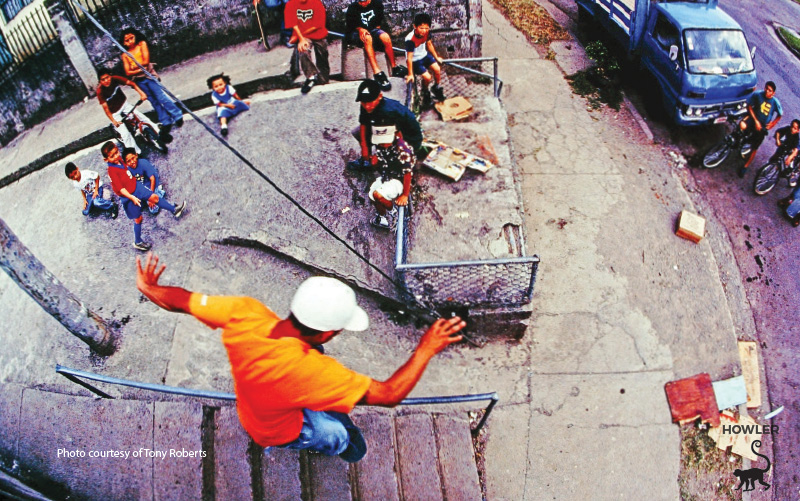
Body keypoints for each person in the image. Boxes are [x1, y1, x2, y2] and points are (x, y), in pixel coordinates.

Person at [135, 252, 466, 462]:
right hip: (281, 428)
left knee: (317, 389)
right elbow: (390, 395)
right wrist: (426, 348)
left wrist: (150, 289)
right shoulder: (312, 371)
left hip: (254, 406)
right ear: (325, 333)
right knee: (336, 436)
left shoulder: (245, 313)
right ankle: (339, 442)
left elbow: (181, 300)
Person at [102, 142, 187, 251]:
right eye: (112, 156)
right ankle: (138, 241)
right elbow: (121, 189)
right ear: (106, 160)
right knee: (138, 219)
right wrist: (132, 197)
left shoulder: (119, 161)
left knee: (154, 198)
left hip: (136, 186)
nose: (116, 156)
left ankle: (174, 210)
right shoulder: (112, 171)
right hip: (129, 196)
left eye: (116, 152)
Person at [120, 28, 184, 136]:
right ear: (123, 43)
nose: (130, 41)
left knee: (161, 97)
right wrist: (139, 68)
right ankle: (165, 121)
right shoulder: (125, 54)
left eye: (131, 38)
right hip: (139, 81)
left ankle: (177, 115)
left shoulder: (141, 44)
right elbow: (127, 72)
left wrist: (135, 68)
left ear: (136, 36)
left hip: (149, 76)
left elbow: (145, 62)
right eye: (127, 40)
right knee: (153, 101)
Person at [348, 79, 423, 171]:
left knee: (390, 160)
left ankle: (394, 162)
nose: (367, 106)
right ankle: (368, 160)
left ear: (380, 96)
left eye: (370, 102)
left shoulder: (388, 112)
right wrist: (364, 147)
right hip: (386, 129)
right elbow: (363, 123)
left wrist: (378, 156)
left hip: (408, 137)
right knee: (358, 132)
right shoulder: (366, 101)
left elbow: (394, 139)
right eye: (364, 103)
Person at [345, 0, 406, 92]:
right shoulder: (352, 8)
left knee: (385, 37)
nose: (363, 4)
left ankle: (394, 67)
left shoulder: (377, 4)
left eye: (365, 1)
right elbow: (351, 26)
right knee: (367, 38)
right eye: (360, 2)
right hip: (357, 32)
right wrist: (360, 29)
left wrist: (376, 34)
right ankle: (377, 73)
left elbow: (377, 24)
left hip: (372, 29)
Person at [96, 69, 159, 155]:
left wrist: (142, 94)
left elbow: (132, 83)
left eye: (107, 77)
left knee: (141, 117)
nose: (106, 81)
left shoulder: (115, 79)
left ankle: (157, 132)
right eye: (103, 79)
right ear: (100, 81)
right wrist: (114, 121)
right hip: (115, 112)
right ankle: (135, 153)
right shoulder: (100, 91)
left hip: (124, 104)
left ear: (110, 75)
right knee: (125, 134)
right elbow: (106, 109)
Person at [367, 122, 415, 230]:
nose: (383, 144)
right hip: (387, 175)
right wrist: (375, 162)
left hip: (400, 179)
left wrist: (405, 195)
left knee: (378, 194)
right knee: (372, 195)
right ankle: (382, 218)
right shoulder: (380, 146)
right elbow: (381, 161)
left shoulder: (402, 150)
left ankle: (393, 212)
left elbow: (408, 174)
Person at [284, 0, 330, 94]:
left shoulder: (316, 2)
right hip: (302, 35)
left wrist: (297, 36)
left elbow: (317, 25)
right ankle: (311, 77)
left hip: (317, 32)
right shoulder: (290, 4)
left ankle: (323, 77)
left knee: (322, 52)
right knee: (303, 49)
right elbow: (294, 24)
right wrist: (301, 39)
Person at [738, 81, 782, 178]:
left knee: (755, 147)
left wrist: (772, 124)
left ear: (773, 93)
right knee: (741, 126)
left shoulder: (775, 102)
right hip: (753, 119)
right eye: (766, 88)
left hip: (762, 126)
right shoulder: (758, 95)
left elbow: (780, 114)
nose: (767, 91)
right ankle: (739, 143)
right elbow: (749, 106)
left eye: (770, 90)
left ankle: (746, 166)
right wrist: (755, 120)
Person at [404, 13, 445, 107]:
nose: (424, 31)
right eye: (421, 28)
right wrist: (410, 74)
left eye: (427, 28)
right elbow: (409, 58)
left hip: (424, 55)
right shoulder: (410, 39)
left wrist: (436, 57)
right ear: (415, 26)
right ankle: (425, 92)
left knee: (437, 69)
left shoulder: (427, 33)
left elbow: (429, 45)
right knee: (427, 77)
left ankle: (436, 87)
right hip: (415, 60)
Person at [122, 148, 167, 216]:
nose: (132, 162)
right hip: (142, 189)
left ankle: (159, 192)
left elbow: (152, 179)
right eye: (128, 161)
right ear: (125, 163)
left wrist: (151, 197)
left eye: (133, 158)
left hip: (151, 186)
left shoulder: (143, 163)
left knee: (153, 210)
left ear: (136, 155)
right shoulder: (128, 170)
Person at [768, 119, 800, 187]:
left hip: (793, 149)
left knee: (792, 159)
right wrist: (778, 140)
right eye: (792, 126)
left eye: (795, 128)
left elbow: (796, 150)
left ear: (798, 130)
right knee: (776, 156)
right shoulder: (788, 129)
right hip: (786, 146)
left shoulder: (797, 137)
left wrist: (790, 157)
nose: (792, 129)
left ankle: (791, 172)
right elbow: (778, 132)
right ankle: (771, 166)